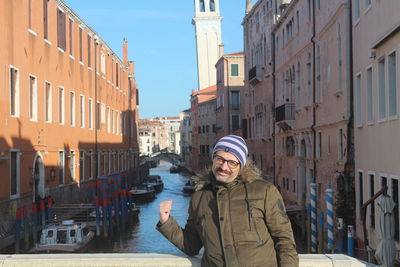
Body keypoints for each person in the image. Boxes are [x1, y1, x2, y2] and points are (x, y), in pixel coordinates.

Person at [157, 135, 299, 267]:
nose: (224, 167)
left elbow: (284, 240)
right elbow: (191, 245)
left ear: (241, 165)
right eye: (220, 159)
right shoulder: (199, 198)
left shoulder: (265, 191)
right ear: (213, 159)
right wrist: (166, 222)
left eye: (232, 162)